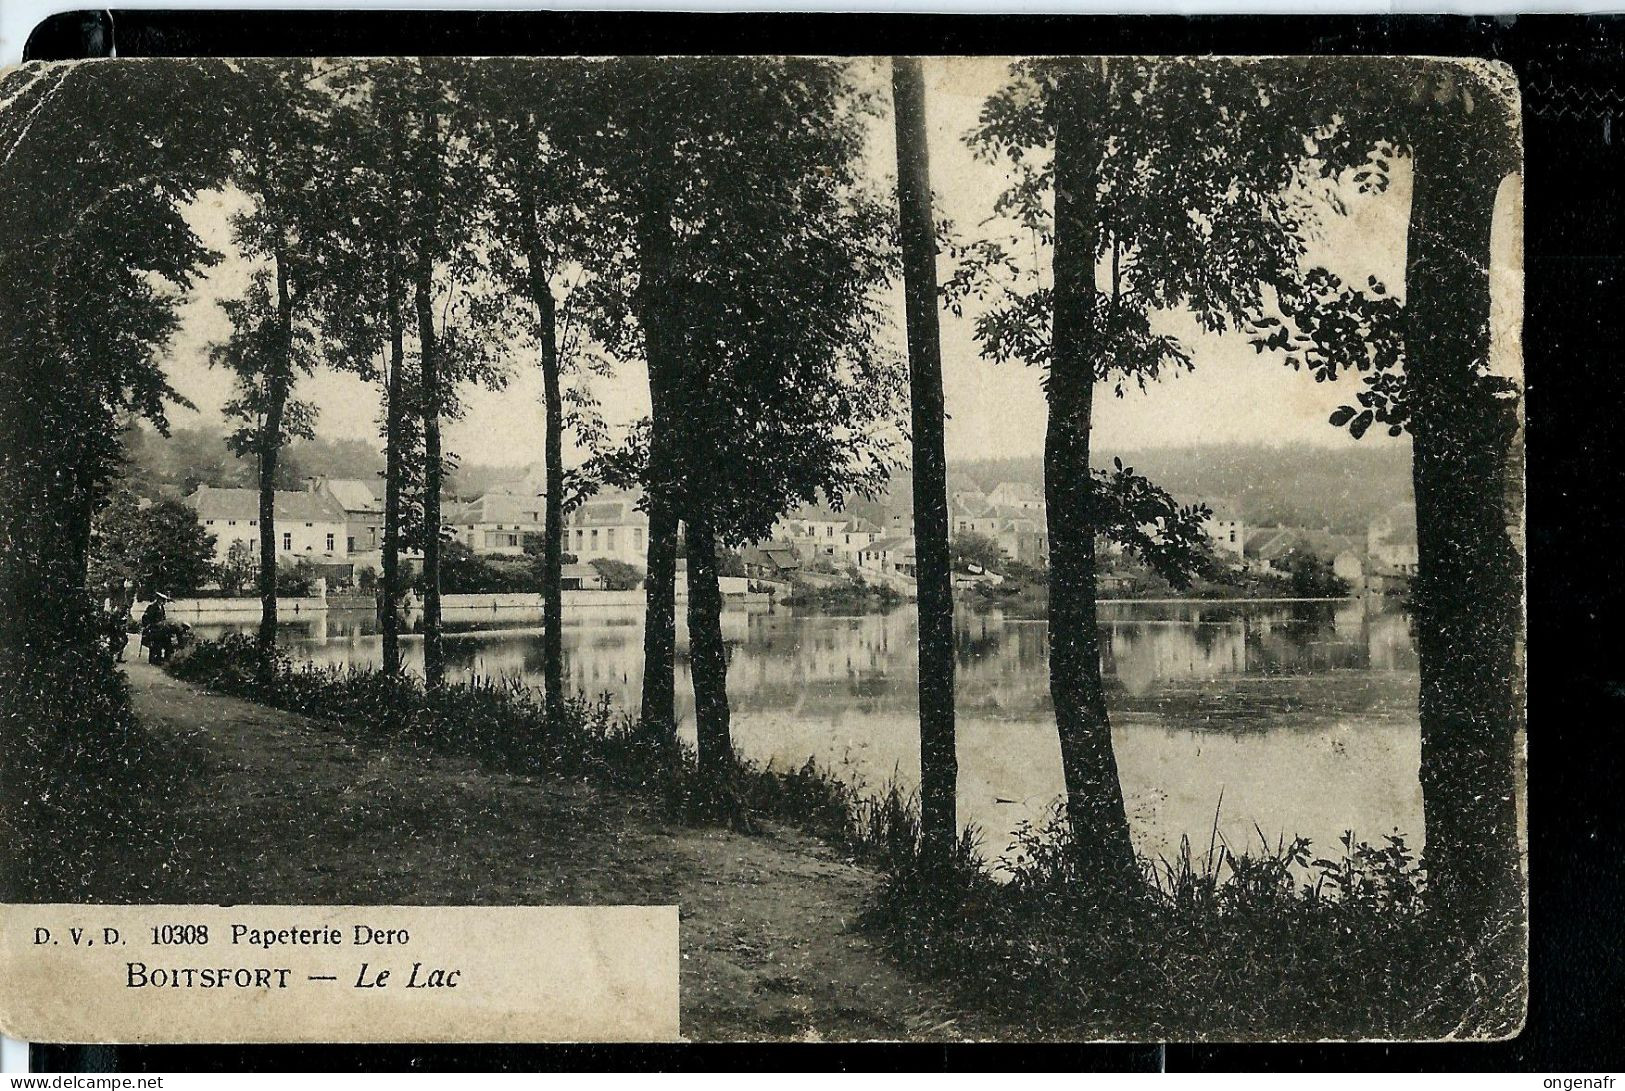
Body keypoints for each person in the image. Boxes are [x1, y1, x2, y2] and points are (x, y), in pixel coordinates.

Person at [140, 593, 169, 664]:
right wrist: (150, 625)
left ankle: (159, 657)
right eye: (163, 600)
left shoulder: (161, 607)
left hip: (160, 628)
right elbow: (145, 618)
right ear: (159, 599)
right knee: (155, 641)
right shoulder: (152, 607)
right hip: (153, 628)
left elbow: (163, 618)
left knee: (165, 640)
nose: (164, 602)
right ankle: (153, 659)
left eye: (164, 600)